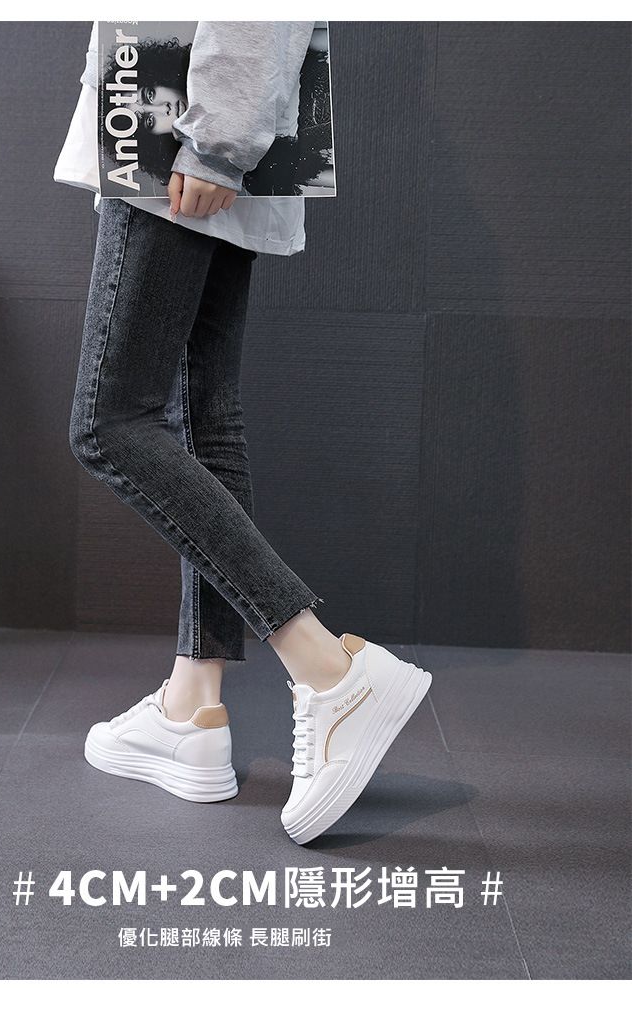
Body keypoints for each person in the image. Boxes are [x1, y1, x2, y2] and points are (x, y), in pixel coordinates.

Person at [55, 21, 431, 845]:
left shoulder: (197, 129)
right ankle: (192, 706)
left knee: (110, 423)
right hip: (196, 111)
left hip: (176, 117)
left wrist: (216, 139)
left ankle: (329, 667)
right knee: (202, 419)